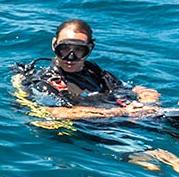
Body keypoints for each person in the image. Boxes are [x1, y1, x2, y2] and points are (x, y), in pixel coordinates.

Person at [17, 19, 162, 121]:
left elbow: (133, 88)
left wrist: (149, 102)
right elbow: (56, 113)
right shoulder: (46, 81)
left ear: (90, 48)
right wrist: (120, 112)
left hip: (124, 118)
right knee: (155, 158)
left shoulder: (95, 72)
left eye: (79, 50)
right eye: (64, 49)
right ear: (54, 45)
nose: (70, 57)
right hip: (93, 129)